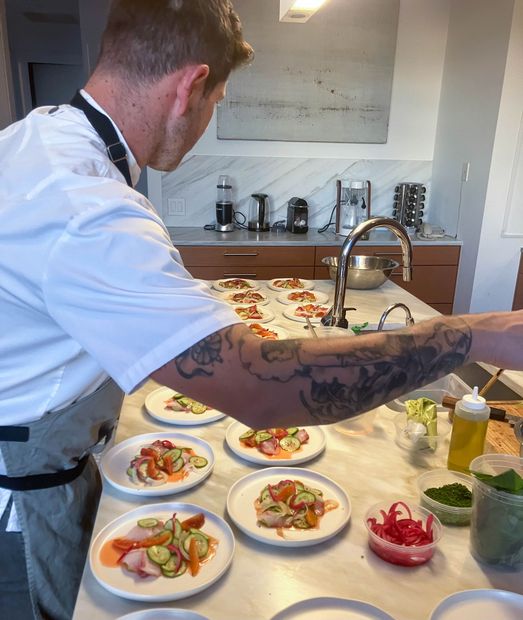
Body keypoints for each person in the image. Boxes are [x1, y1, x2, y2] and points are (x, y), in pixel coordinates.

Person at [0, 0, 522, 618]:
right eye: (216, 101)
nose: (207, 119)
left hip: (55, 444)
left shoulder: (44, 136)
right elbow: (262, 389)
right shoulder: (85, 202)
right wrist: (473, 333)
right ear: (191, 86)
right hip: (28, 488)